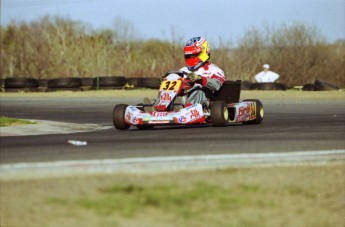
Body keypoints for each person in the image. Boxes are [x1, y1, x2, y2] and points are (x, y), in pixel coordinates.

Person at [180, 36, 226, 107]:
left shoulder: (214, 70)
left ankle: (188, 110)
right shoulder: (182, 71)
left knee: (198, 91)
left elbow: (216, 85)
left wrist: (200, 79)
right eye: (188, 56)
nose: (191, 58)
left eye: (193, 55)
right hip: (185, 98)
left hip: (206, 102)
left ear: (204, 52)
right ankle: (161, 110)